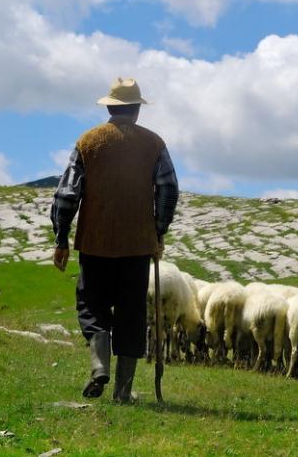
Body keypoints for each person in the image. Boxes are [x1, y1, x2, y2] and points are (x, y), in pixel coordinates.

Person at [50, 77, 179, 402]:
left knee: (91, 306)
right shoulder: (154, 144)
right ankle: (122, 391)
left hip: (95, 243)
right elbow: (168, 189)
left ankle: (99, 367)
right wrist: (158, 231)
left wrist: (61, 237)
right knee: (131, 312)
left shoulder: (88, 142)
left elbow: (67, 193)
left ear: (109, 107)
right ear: (136, 110)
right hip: (137, 245)